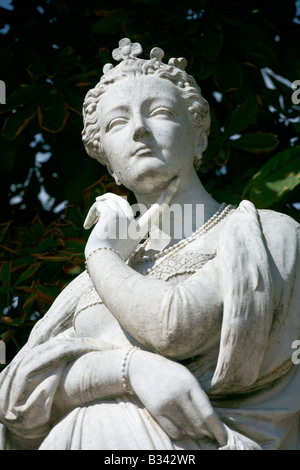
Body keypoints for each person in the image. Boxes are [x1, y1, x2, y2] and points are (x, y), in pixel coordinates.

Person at [0, 38, 299, 450]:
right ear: (108, 161)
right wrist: (128, 369)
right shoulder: (87, 287)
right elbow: (16, 400)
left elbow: (176, 328)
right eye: (116, 123)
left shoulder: (266, 235)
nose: (139, 129)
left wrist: (100, 253)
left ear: (198, 138)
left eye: (159, 112)